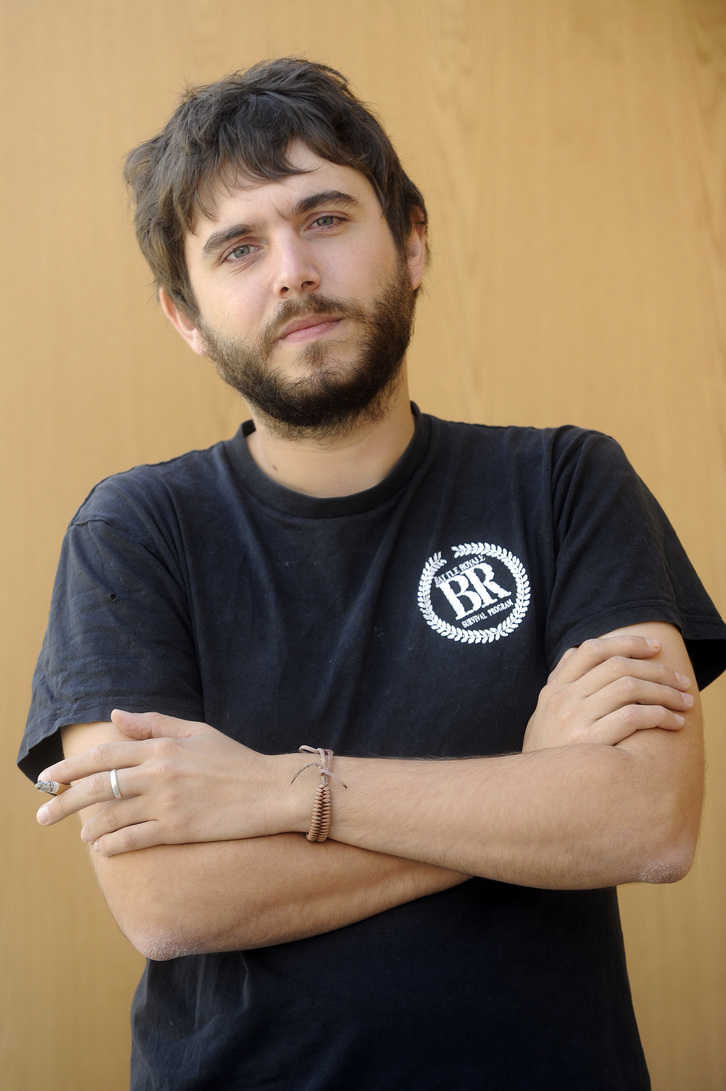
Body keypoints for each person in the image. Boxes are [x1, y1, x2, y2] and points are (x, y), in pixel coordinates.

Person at [19, 58, 726, 1089]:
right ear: (185, 316)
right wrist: (531, 789)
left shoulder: (568, 483)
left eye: (325, 218)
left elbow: (646, 821)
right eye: (238, 247)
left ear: (413, 240)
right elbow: (167, 903)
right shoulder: (131, 533)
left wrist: (281, 789)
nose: (293, 272)